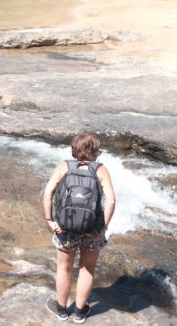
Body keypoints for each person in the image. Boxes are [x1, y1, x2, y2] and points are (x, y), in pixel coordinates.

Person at [43, 132, 116, 324]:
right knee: (87, 268)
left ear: (75, 149)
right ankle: (80, 312)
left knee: (63, 268)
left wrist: (50, 220)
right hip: (92, 228)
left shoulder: (64, 166)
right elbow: (111, 202)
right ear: (93, 152)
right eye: (98, 150)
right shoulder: (101, 170)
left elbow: (48, 193)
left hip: (64, 227)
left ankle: (61, 309)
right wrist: (102, 228)